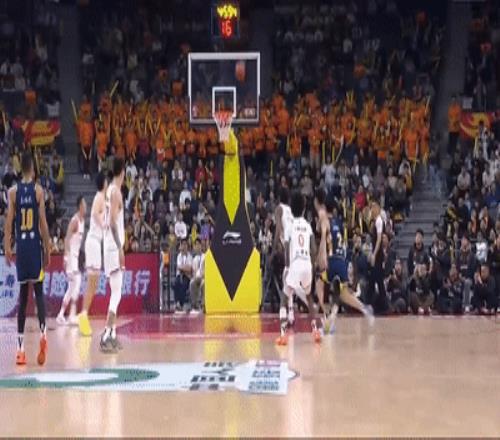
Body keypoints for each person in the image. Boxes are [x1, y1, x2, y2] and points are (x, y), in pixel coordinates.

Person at [4, 152, 51, 365]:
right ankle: (43, 333)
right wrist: (47, 249)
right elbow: (43, 224)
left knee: (23, 298)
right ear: (32, 169)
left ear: (19, 169)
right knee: (39, 292)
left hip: (22, 248)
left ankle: (21, 350)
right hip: (34, 246)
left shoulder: (12, 193)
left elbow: (8, 223)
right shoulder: (38, 191)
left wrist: (7, 247)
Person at [315, 193, 374, 335]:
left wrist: (322, 256)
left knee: (319, 282)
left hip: (332, 259)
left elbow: (323, 236)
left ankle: (325, 316)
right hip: (342, 259)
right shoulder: (337, 222)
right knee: (342, 294)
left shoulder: (325, 220)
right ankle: (364, 308)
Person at [276, 192, 319, 345]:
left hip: (295, 264)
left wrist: (288, 267)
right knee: (309, 297)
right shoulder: (307, 226)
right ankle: (315, 330)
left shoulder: (290, 226)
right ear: (304, 209)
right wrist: (312, 266)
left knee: (284, 298)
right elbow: (313, 249)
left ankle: (283, 334)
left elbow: (287, 249)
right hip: (307, 264)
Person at [100, 157, 126, 353]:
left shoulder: (108, 189)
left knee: (115, 291)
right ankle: (106, 334)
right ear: (122, 172)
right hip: (113, 247)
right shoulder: (116, 192)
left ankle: (113, 335)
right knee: (116, 294)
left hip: (107, 245)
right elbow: (112, 222)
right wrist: (120, 247)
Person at [78, 172, 108, 336]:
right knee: (91, 283)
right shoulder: (99, 197)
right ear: (104, 183)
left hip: (96, 243)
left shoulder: (103, 198)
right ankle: (83, 316)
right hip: (93, 242)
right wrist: (104, 226)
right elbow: (96, 214)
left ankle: (83, 315)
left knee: (94, 284)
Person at [57, 196, 86, 325]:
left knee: (71, 287)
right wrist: (65, 257)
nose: (86, 206)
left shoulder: (83, 221)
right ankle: (72, 315)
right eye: (84, 204)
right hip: (70, 258)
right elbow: (67, 238)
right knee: (77, 281)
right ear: (80, 206)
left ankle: (61, 314)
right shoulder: (75, 221)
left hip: (75, 257)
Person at [272, 187, 294, 326]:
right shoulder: (290, 210)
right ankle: (290, 312)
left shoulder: (279, 209)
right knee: (288, 277)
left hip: (286, 245)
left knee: (285, 276)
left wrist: (274, 249)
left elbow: (278, 229)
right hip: (294, 245)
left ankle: (285, 313)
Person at [367, 198, 389, 313]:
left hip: (378, 254)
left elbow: (379, 239)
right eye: (371, 207)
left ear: (378, 208)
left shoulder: (379, 220)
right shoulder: (375, 221)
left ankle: (380, 305)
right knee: (376, 279)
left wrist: (374, 254)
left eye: (374, 207)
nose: (372, 209)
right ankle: (380, 305)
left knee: (377, 279)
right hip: (377, 253)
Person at [189, 238, 204, 313]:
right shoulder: (194, 259)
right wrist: (195, 277)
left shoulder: (205, 256)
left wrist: (201, 276)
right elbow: (194, 272)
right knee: (192, 283)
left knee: (203, 284)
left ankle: (203, 305)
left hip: (203, 277)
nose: (197, 246)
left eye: (199, 244)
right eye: (196, 245)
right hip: (196, 277)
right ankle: (194, 305)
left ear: (201, 246)